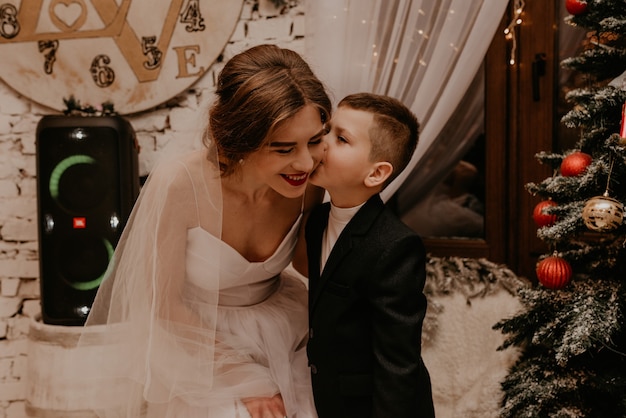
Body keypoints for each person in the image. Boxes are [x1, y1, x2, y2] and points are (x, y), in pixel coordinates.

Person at [76, 44, 332, 418]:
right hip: (190, 339)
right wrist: (246, 378)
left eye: (314, 140)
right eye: (283, 148)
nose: (305, 162)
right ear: (238, 140)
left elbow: (310, 267)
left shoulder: (308, 182)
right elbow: (164, 304)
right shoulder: (178, 185)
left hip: (282, 332)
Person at [303, 93, 435, 418]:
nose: (323, 142)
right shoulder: (316, 221)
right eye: (327, 129)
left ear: (376, 174)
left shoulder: (395, 246)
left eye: (341, 138)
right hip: (328, 397)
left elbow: (397, 362)